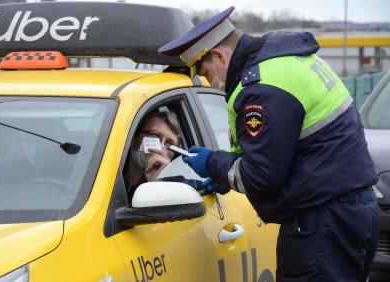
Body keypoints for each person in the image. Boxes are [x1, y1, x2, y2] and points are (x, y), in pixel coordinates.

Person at [158, 6, 380, 282]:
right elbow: (289, 148)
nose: (209, 81)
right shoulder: (288, 61)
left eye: (204, 72)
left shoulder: (262, 87)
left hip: (323, 224)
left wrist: (213, 164)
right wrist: (224, 175)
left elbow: (262, 175)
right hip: (350, 214)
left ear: (217, 55)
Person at [125, 110, 213, 199]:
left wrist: (159, 184)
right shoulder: (111, 166)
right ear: (133, 139)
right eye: (155, 136)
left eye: (169, 144)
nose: (161, 147)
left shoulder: (181, 188)